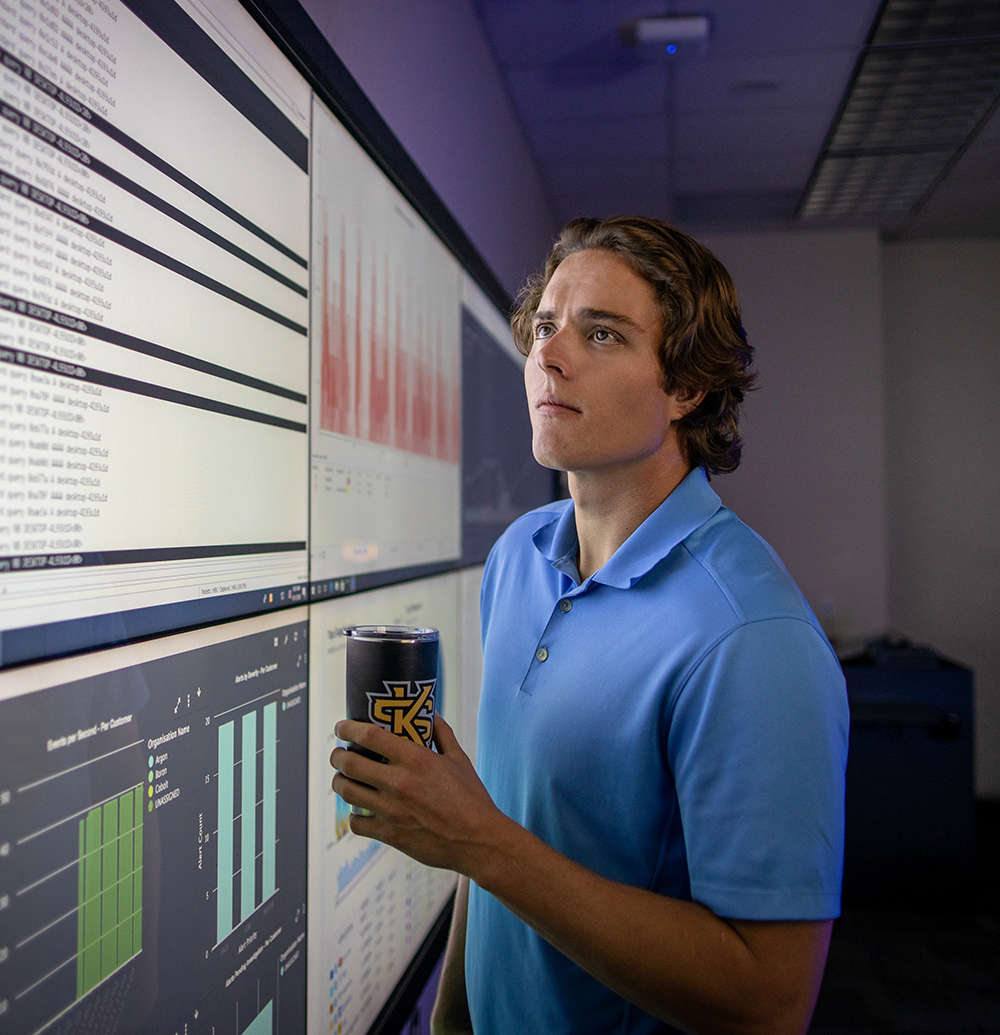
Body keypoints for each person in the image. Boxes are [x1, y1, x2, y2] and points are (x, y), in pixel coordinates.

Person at [331, 217, 849, 1035]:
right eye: (545, 327)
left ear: (686, 388)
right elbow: (498, 822)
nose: (550, 355)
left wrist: (481, 843)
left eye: (601, 333)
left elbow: (769, 1001)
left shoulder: (752, 635)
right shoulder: (519, 556)